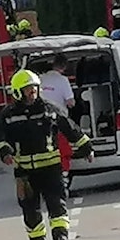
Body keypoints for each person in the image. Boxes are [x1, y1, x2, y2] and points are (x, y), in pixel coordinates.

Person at [0, 69, 94, 240]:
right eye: (28, 90)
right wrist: (5, 152)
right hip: (24, 172)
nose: (32, 93)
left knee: (57, 204)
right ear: (17, 92)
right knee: (30, 210)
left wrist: (86, 147)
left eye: (34, 89)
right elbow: (0, 138)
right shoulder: (7, 115)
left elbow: (70, 128)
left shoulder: (50, 109)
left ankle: (61, 238)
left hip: (51, 169)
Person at [40, 54, 77, 187]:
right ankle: (63, 180)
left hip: (40, 121)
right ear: (64, 67)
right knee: (62, 152)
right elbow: (70, 103)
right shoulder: (63, 80)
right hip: (59, 122)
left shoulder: (41, 78)